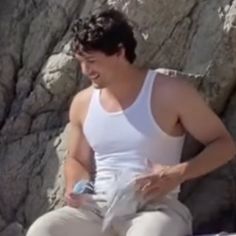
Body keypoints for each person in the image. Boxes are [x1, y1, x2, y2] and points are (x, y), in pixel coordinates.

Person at [26, 8, 236, 236]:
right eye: (80, 62)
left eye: (92, 61)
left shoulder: (170, 93)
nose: (86, 71)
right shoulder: (83, 103)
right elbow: (77, 159)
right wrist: (77, 187)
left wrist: (177, 174)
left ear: (119, 52)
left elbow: (224, 145)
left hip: (156, 210)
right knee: (43, 230)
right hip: (97, 210)